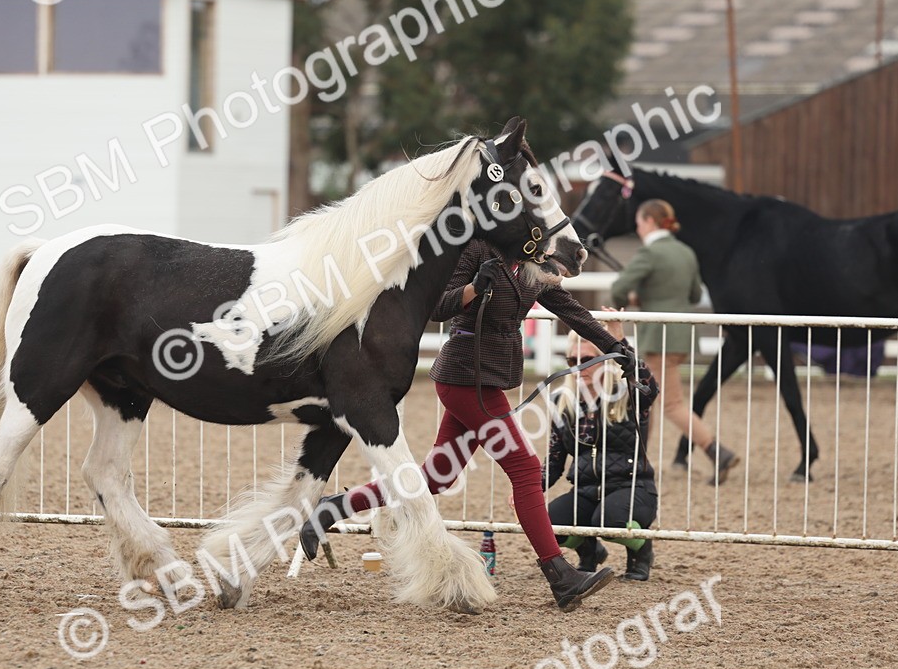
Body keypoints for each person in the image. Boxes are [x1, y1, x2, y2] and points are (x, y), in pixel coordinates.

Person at [300, 238, 639, 612]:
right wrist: (475, 287)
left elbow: (572, 311)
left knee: (437, 477)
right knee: (525, 469)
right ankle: (559, 575)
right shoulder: (478, 251)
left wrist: (617, 349)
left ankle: (336, 506)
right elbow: (440, 307)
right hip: (464, 378)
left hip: (488, 380)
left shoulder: (533, 265)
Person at [609, 198, 740, 485]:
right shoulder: (685, 252)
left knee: (669, 404)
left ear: (651, 222)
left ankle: (716, 451)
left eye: (640, 222)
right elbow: (693, 295)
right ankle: (639, 459)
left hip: (659, 337)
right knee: (648, 401)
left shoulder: (650, 253)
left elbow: (619, 288)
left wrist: (629, 300)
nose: (638, 227)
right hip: (682, 336)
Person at [544, 321, 659, 581]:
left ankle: (642, 551)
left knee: (608, 522)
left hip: (633, 488)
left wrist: (621, 343)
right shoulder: (562, 401)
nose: (579, 366)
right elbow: (554, 459)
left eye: (587, 359)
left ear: (607, 360)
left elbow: (650, 385)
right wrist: (527, 489)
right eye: (572, 359)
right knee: (545, 525)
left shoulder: (629, 392)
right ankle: (590, 551)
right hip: (585, 491)